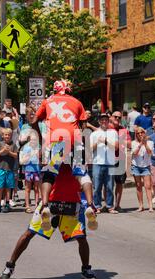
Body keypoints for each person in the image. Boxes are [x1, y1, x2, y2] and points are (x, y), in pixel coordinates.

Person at [0, 164, 97, 279]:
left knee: (81, 238)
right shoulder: (54, 158)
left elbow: (85, 181)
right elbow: (47, 179)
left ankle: (86, 269)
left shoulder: (78, 160)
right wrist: (45, 204)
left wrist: (88, 202)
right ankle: (10, 266)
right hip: (52, 202)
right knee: (29, 233)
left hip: (71, 205)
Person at [30, 79, 95, 230]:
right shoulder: (77, 102)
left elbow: (33, 121)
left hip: (56, 140)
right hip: (74, 139)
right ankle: (91, 206)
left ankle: (45, 205)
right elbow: (84, 126)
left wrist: (41, 138)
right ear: (68, 89)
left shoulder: (47, 101)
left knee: (49, 173)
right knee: (81, 173)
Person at [90, 113, 118, 213]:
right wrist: (97, 142)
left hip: (110, 162)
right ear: (99, 121)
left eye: (106, 120)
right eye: (102, 120)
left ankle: (110, 206)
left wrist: (105, 141)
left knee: (110, 186)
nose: (104, 121)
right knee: (97, 186)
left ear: (108, 121)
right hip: (97, 162)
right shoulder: (94, 134)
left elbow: (116, 147)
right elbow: (90, 149)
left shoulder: (113, 132)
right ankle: (97, 206)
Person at [109, 110, 131, 212]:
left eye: (119, 117)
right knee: (108, 184)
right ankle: (109, 205)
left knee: (119, 183)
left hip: (120, 160)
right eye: (115, 117)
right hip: (108, 160)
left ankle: (117, 204)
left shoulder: (123, 130)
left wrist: (120, 140)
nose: (117, 119)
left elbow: (130, 144)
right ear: (111, 117)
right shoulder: (107, 129)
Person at [0, 128, 18, 213]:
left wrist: (9, 152)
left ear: (11, 136)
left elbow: (16, 155)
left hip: (10, 169)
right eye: (5, 134)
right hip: (0, 169)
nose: (7, 136)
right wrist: (3, 150)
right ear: (2, 136)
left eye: (9, 134)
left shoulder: (13, 145)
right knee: (0, 187)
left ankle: (7, 203)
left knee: (8, 187)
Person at [131, 127, 154, 212]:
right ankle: (141, 205)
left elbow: (150, 152)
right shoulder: (133, 143)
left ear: (144, 133)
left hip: (146, 166)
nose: (140, 134)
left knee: (147, 186)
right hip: (136, 166)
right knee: (138, 186)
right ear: (136, 134)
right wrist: (140, 144)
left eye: (142, 132)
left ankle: (150, 206)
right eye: (138, 133)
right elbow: (135, 153)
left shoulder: (150, 142)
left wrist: (145, 144)